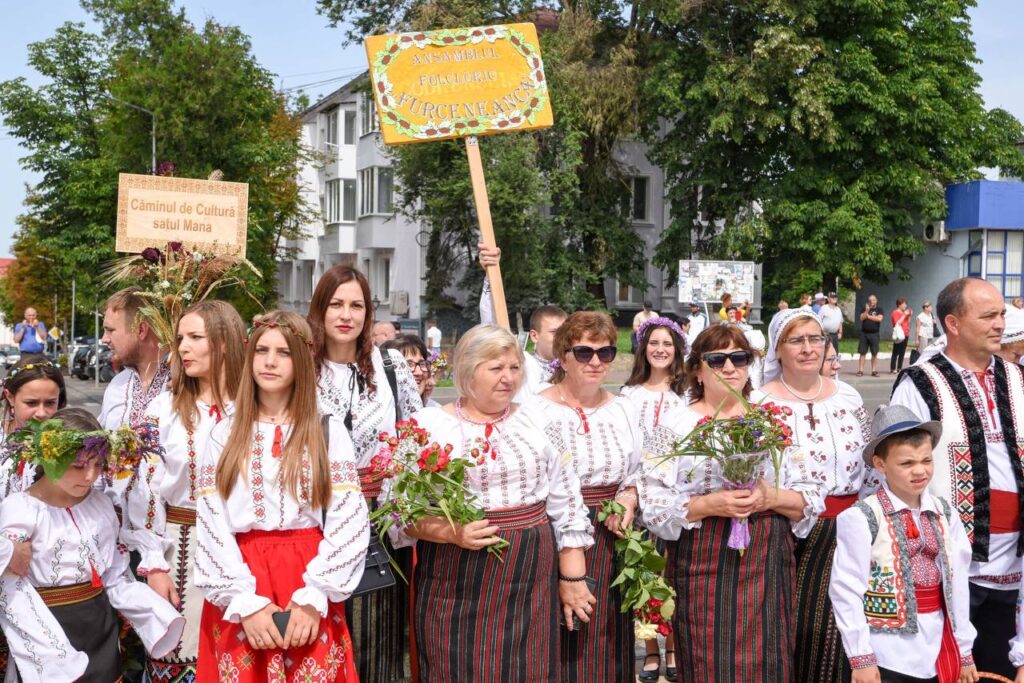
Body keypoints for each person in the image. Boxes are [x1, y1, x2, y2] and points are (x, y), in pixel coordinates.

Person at [393, 324, 594, 681]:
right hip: (455, 579)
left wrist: (573, 577)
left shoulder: (540, 419)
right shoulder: (427, 425)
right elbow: (399, 511)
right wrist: (450, 532)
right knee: (456, 669)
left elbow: (567, 503)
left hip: (529, 576)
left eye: (514, 367)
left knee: (527, 670)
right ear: (469, 370)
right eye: (496, 368)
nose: (508, 377)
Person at [640, 324, 823, 682]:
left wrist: (770, 496)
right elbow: (652, 499)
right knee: (708, 657)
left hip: (766, 558)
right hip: (703, 557)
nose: (729, 367)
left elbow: (810, 493)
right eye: (716, 359)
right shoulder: (672, 424)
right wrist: (710, 504)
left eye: (739, 358)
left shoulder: (773, 418)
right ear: (697, 369)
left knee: (768, 657)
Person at [195, 311, 368, 683]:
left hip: (307, 580)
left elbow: (349, 520)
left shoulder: (325, 429)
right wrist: (244, 603)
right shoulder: (225, 432)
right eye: (261, 350)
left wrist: (315, 596)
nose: (270, 361)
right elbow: (211, 523)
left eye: (283, 352)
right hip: (242, 579)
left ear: (302, 359)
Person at [891, 277, 1024, 678]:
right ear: (953, 323)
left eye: (1001, 315)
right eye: (988, 316)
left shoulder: (1018, 378)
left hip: (1015, 567)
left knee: (1001, 670)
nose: (999, 324)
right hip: (948, 565)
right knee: (947, 671)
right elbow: (895, 473)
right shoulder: (920, 383)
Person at [0, 408, 185, 682]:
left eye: (98, 464)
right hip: (47, 630)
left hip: (100, 627)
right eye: (78, 466)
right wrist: (50, 651)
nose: (90, 476)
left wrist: (152, 612)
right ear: (49, 458)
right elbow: (10, 590)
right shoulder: (21, 509)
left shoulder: (99, 504)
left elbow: (114, 572)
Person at [306, 264, 421, 683]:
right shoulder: (301, 365)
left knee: (378, 635)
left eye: (356, 306)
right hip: (316, 514)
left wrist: (400, 494)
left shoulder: (390, 364)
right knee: (320, 629)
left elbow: (414, 435)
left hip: (380, 518)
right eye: (336, 304)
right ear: (319, 309)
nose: (346, 315)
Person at [121, 300, 246, 682]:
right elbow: (144, 492)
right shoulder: (164, 411)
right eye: (180, 339)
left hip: (245, 551)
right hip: (182, 551)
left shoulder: (253, 410)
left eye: (195, 337)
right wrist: (155, 565)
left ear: (224, 342)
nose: (182, 348)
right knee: (180, 664)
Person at [757, 309, 871, 683]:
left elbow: (872, 461)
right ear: (777, 349)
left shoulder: (848, 396)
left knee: (842, 629)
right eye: (797, 340)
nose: (808, 348)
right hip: (787, 532)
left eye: (815, 339)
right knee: (796, 627)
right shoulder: (759, 403)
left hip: (849, 528)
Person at [830, 405, 978, 683]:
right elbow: (846, 590)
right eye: (907, 463)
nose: (919, 471)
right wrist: (861, 657)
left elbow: (958, 582)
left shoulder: (945, 513)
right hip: (886, 651)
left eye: (926, 460)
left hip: (938, 645)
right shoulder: (862, 517)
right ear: (880, 464)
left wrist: (963, 649)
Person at [536, 312, 643, 683]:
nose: (595, 361)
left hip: (613, 533)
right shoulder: (536, 410)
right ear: (563, 357)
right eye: (584, 352)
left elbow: (642, 468)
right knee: (564, 632)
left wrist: (629, 496)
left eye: (605, 352)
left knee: (610, 635)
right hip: (556, 533)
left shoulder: (624, 408)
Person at [477, 245, 568, 398]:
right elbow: (492, 329)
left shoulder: (573, 367)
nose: (562, 338)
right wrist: (490, 273)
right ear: (534, 336)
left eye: (565, 332)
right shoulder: (523, 363)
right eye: (554, 332)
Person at [99, 287, 171, 433]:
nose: (104, 339)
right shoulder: (117, 385)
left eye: (110, 330)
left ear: (141, 330)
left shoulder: (185, 382)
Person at [622, 317, 691, 435]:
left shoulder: (687, 395)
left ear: (676, 350)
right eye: (653, 343)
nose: (660, 350)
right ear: (644, 348)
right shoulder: (629, 394)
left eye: (667, 344)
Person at [382, 333, 439, 406]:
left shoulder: (434, 410)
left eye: (422, 363)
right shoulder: (377, 411)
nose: (419, 372)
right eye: (408, 364)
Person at [857, 295, 884, 377]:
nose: (872, 301)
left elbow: (879, 319)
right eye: (870, 300)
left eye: (873, 300)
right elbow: (862, 318)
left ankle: (874, 370)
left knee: (874, 353)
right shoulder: (865, 309)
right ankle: (861, 370)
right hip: (864, 334)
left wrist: (868, 316)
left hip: (874, 334)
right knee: (862, 352)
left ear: (876, 301)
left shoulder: (879, 309)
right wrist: (867, 311)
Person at [890, 298, 912, 374]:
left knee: (902, 352)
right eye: (904, 304)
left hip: (905, 333)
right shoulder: (895, 312)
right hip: (899, 334)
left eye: (906, 304)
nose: (906, 305)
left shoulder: (904, 313)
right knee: (896, 351)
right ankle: (893, 368)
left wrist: (909, 315)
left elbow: (908, 323)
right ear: (899, 304)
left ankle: (899, 368)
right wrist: (904, 315)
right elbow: (897, 323)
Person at [820, 292, 844, 356]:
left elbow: (840, 322)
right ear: (828, 299)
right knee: (826, 352)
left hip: (835, 335)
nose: (834, 298)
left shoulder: (838, 309)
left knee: (835, 352)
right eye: (832, 297)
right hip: (826, 334)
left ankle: (834, 362)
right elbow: (818, 320)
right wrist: (821, 332)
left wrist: (840, 332)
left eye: (835, 297)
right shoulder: (824, 308)